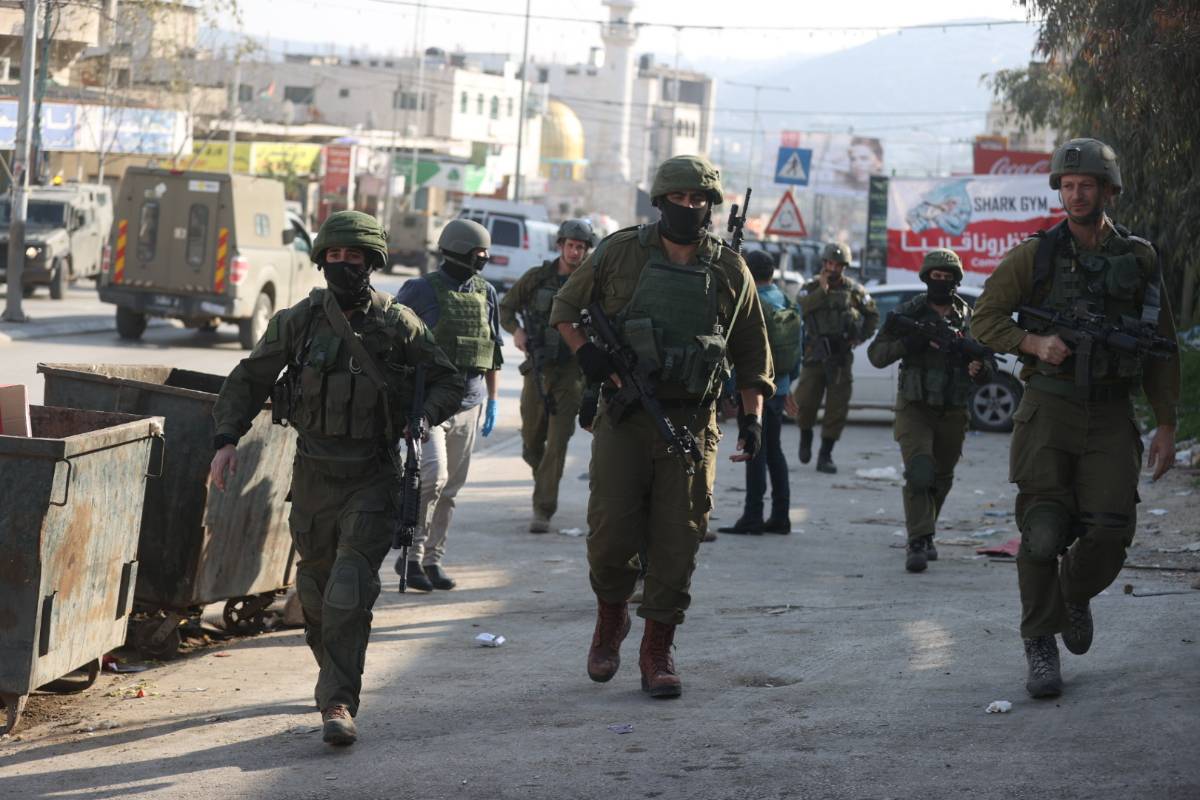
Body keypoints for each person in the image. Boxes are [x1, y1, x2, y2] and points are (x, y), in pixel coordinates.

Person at [209, 211, 463, 746]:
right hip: (313, 476)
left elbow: (447, 380)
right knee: (318, 598)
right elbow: (250, 378)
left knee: (349, 590)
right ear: (322, 259)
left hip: (372, 476)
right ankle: (336, 679)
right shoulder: (297, 322)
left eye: (355, 257)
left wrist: (421, 418)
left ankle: (338, 704)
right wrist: (226, 440)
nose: (343, 265)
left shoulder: (398, 324)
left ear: (373, 262)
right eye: (334, 256)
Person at [550, 154, 774, 699]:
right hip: (625, 416)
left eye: (700, 200)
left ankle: (657, 650)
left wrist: (751, 419)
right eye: (681, 198)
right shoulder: (620, 252)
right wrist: (589, 357)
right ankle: (611, 620)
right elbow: (565, 306)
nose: (690, 207)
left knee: (679, 541)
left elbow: (751, 351)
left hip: (692, 425)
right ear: (660, 201)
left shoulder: (728, 269)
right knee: (608, 536)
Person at [970, 137, 1180, 699]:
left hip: (1111, 413)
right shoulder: (1034, 256)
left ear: (1109, 191)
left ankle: (1073, 592)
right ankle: (1040, 642)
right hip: (1049, 411)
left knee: (1111, 533)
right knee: (1040, 534)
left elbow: (1164, 347)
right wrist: (1033, 342)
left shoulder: (1139, 258)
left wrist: (1166, 422)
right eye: (1067, 185)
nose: (1076, 194)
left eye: (1087, 185)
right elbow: (983, 319)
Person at [391, 218, 504, 592]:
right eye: (478, 253)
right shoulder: (421, 289)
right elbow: (391, 337)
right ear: (458, 251)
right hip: (432, 404)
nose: (483, 259)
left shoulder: (486, 293)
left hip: (471, 401)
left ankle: (433, 560)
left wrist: (492, 400)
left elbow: (493, 350)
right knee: (431, 478)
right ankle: (411, 554)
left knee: (451, 488)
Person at [867, 249, 990, 572]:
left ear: (956, 281)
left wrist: (980, 368)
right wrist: (909, 345)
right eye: (935, 276)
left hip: (953, 407)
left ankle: (927, 530)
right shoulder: (910, 312)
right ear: (925, 279)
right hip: (915, 406)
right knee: (920, 472)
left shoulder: (968, 318)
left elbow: (987, 365)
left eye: (947, 277)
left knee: (942, 477)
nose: (941, 282)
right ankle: (918, 540)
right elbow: (876, 355)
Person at [499, 219, 595, 533]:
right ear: (560, 245)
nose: (575, 251)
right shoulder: (537, 278)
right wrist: (518, 332)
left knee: (557, 444)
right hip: (538, 370)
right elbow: (506, 308)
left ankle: (543, 509)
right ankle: (545, 478)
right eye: (570, 245)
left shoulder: (589, 283)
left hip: (571, 373)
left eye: (581, 247)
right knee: (531, 443)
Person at [718, 249, 801, 535]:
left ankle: (753, 516)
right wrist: (789, 384)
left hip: (753, 390)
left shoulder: (753, 305)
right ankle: (781, 515)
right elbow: (796, 350)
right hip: (780, 388)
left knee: (754, 450)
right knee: (774, 451)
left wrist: (730, 389)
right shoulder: (787, 302)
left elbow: (741, 353)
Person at [786, 242, 878, 474]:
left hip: (840, 357)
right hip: (814, 355)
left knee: (837, 408)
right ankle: (805, 436)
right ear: (823, 263)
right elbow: (800, 309)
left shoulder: (855, 291)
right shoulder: (810, 288)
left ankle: (825, 454)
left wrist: (860, 338)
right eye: (829, 263)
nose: (833, 268)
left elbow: (872, 315)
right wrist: (822, 289)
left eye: (837, 264)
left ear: (844, 266)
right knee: (804, 403)